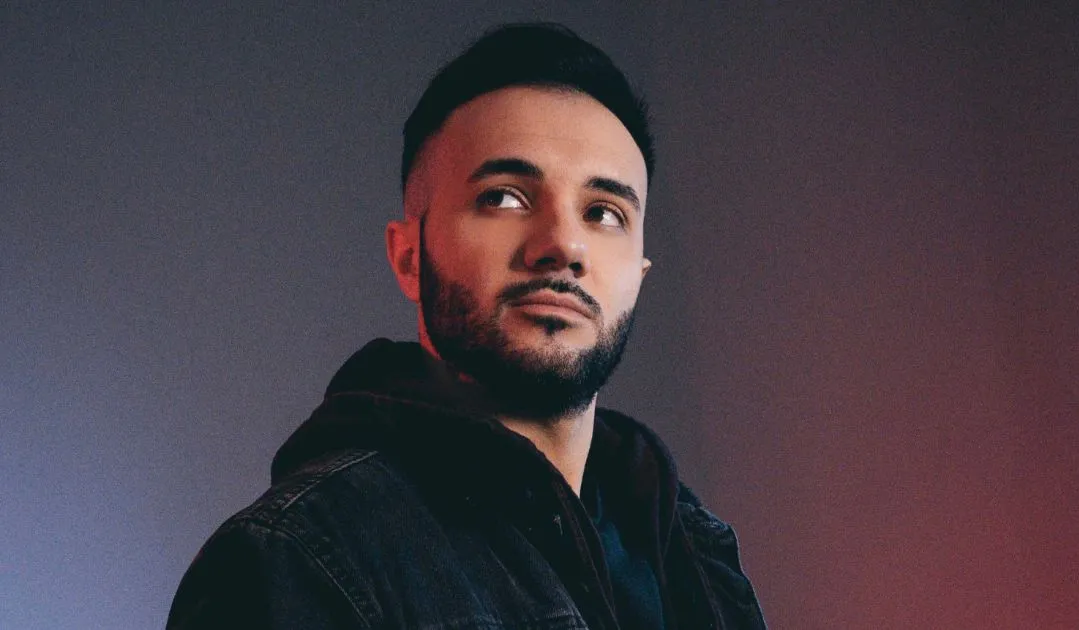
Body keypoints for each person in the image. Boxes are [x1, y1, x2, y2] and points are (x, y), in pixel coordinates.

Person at [167, 23, 766, 629]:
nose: (564, 245)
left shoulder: (696, 557)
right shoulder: (294, 558)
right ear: (409, 257)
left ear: (639, 273)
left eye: (604, 212)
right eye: (504, 198)